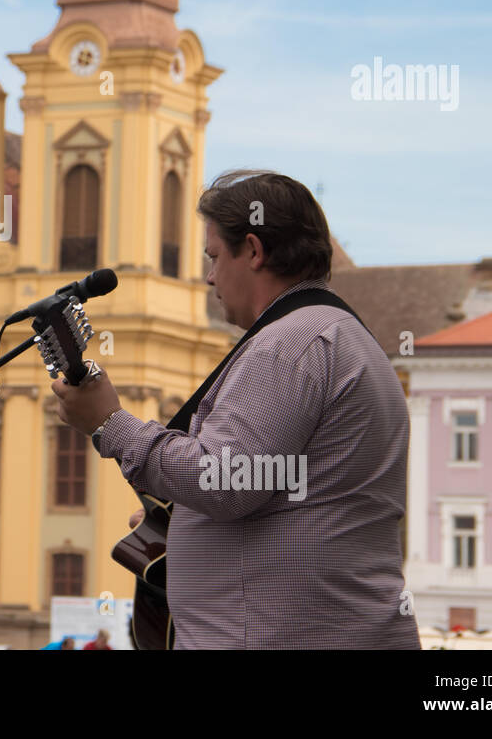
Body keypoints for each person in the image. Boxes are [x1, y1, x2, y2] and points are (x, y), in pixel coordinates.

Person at [53, 170, 421, 650]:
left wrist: (110, 424)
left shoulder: (290, 342)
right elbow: (278, 492)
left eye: (213, 256)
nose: (208, 277)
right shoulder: (338, 337)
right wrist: (186, 526)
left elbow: (227, 480)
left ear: (252, 250)